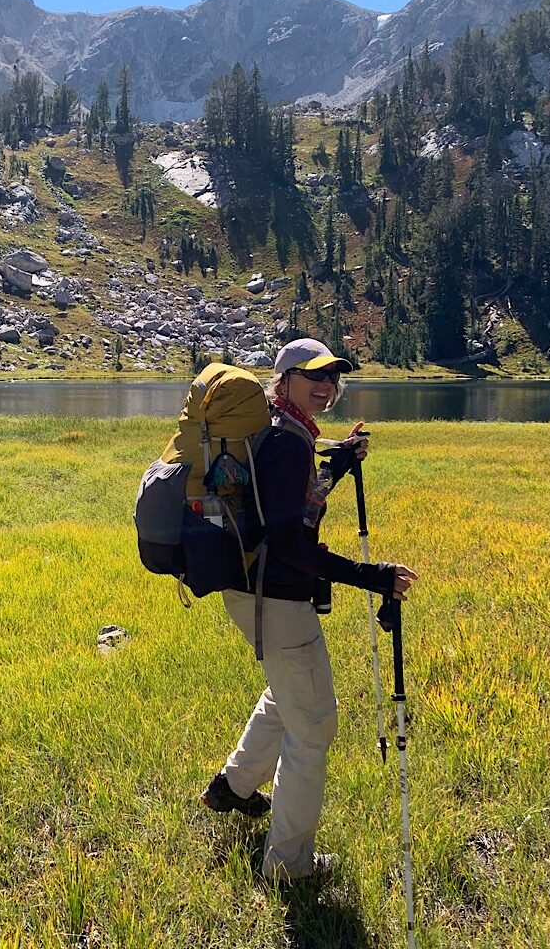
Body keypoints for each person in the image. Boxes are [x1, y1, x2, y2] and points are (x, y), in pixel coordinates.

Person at [200, 337, 418, 885]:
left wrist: (338, 464)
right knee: (314, 725)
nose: (326, 386)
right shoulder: (289, 442)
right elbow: (291, 542)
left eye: (333, 378)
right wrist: (373, 576)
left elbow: (291, 508)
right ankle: (289, 868)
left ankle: (234, 787)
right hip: (276, 597)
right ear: (284, 379)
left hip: (250, 590)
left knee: (287, 693)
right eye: (313, 376)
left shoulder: (280, 431)